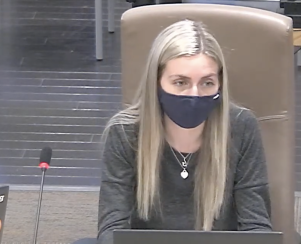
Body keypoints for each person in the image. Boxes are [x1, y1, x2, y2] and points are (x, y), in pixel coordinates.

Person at [97, 19, 272, 244]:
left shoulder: (242, 127)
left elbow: (256, 227)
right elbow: (112, 228)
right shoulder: (125, 133)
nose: (195, 95)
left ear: (220, 83)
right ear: (157, 82)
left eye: (207, 83)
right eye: (180, 82)